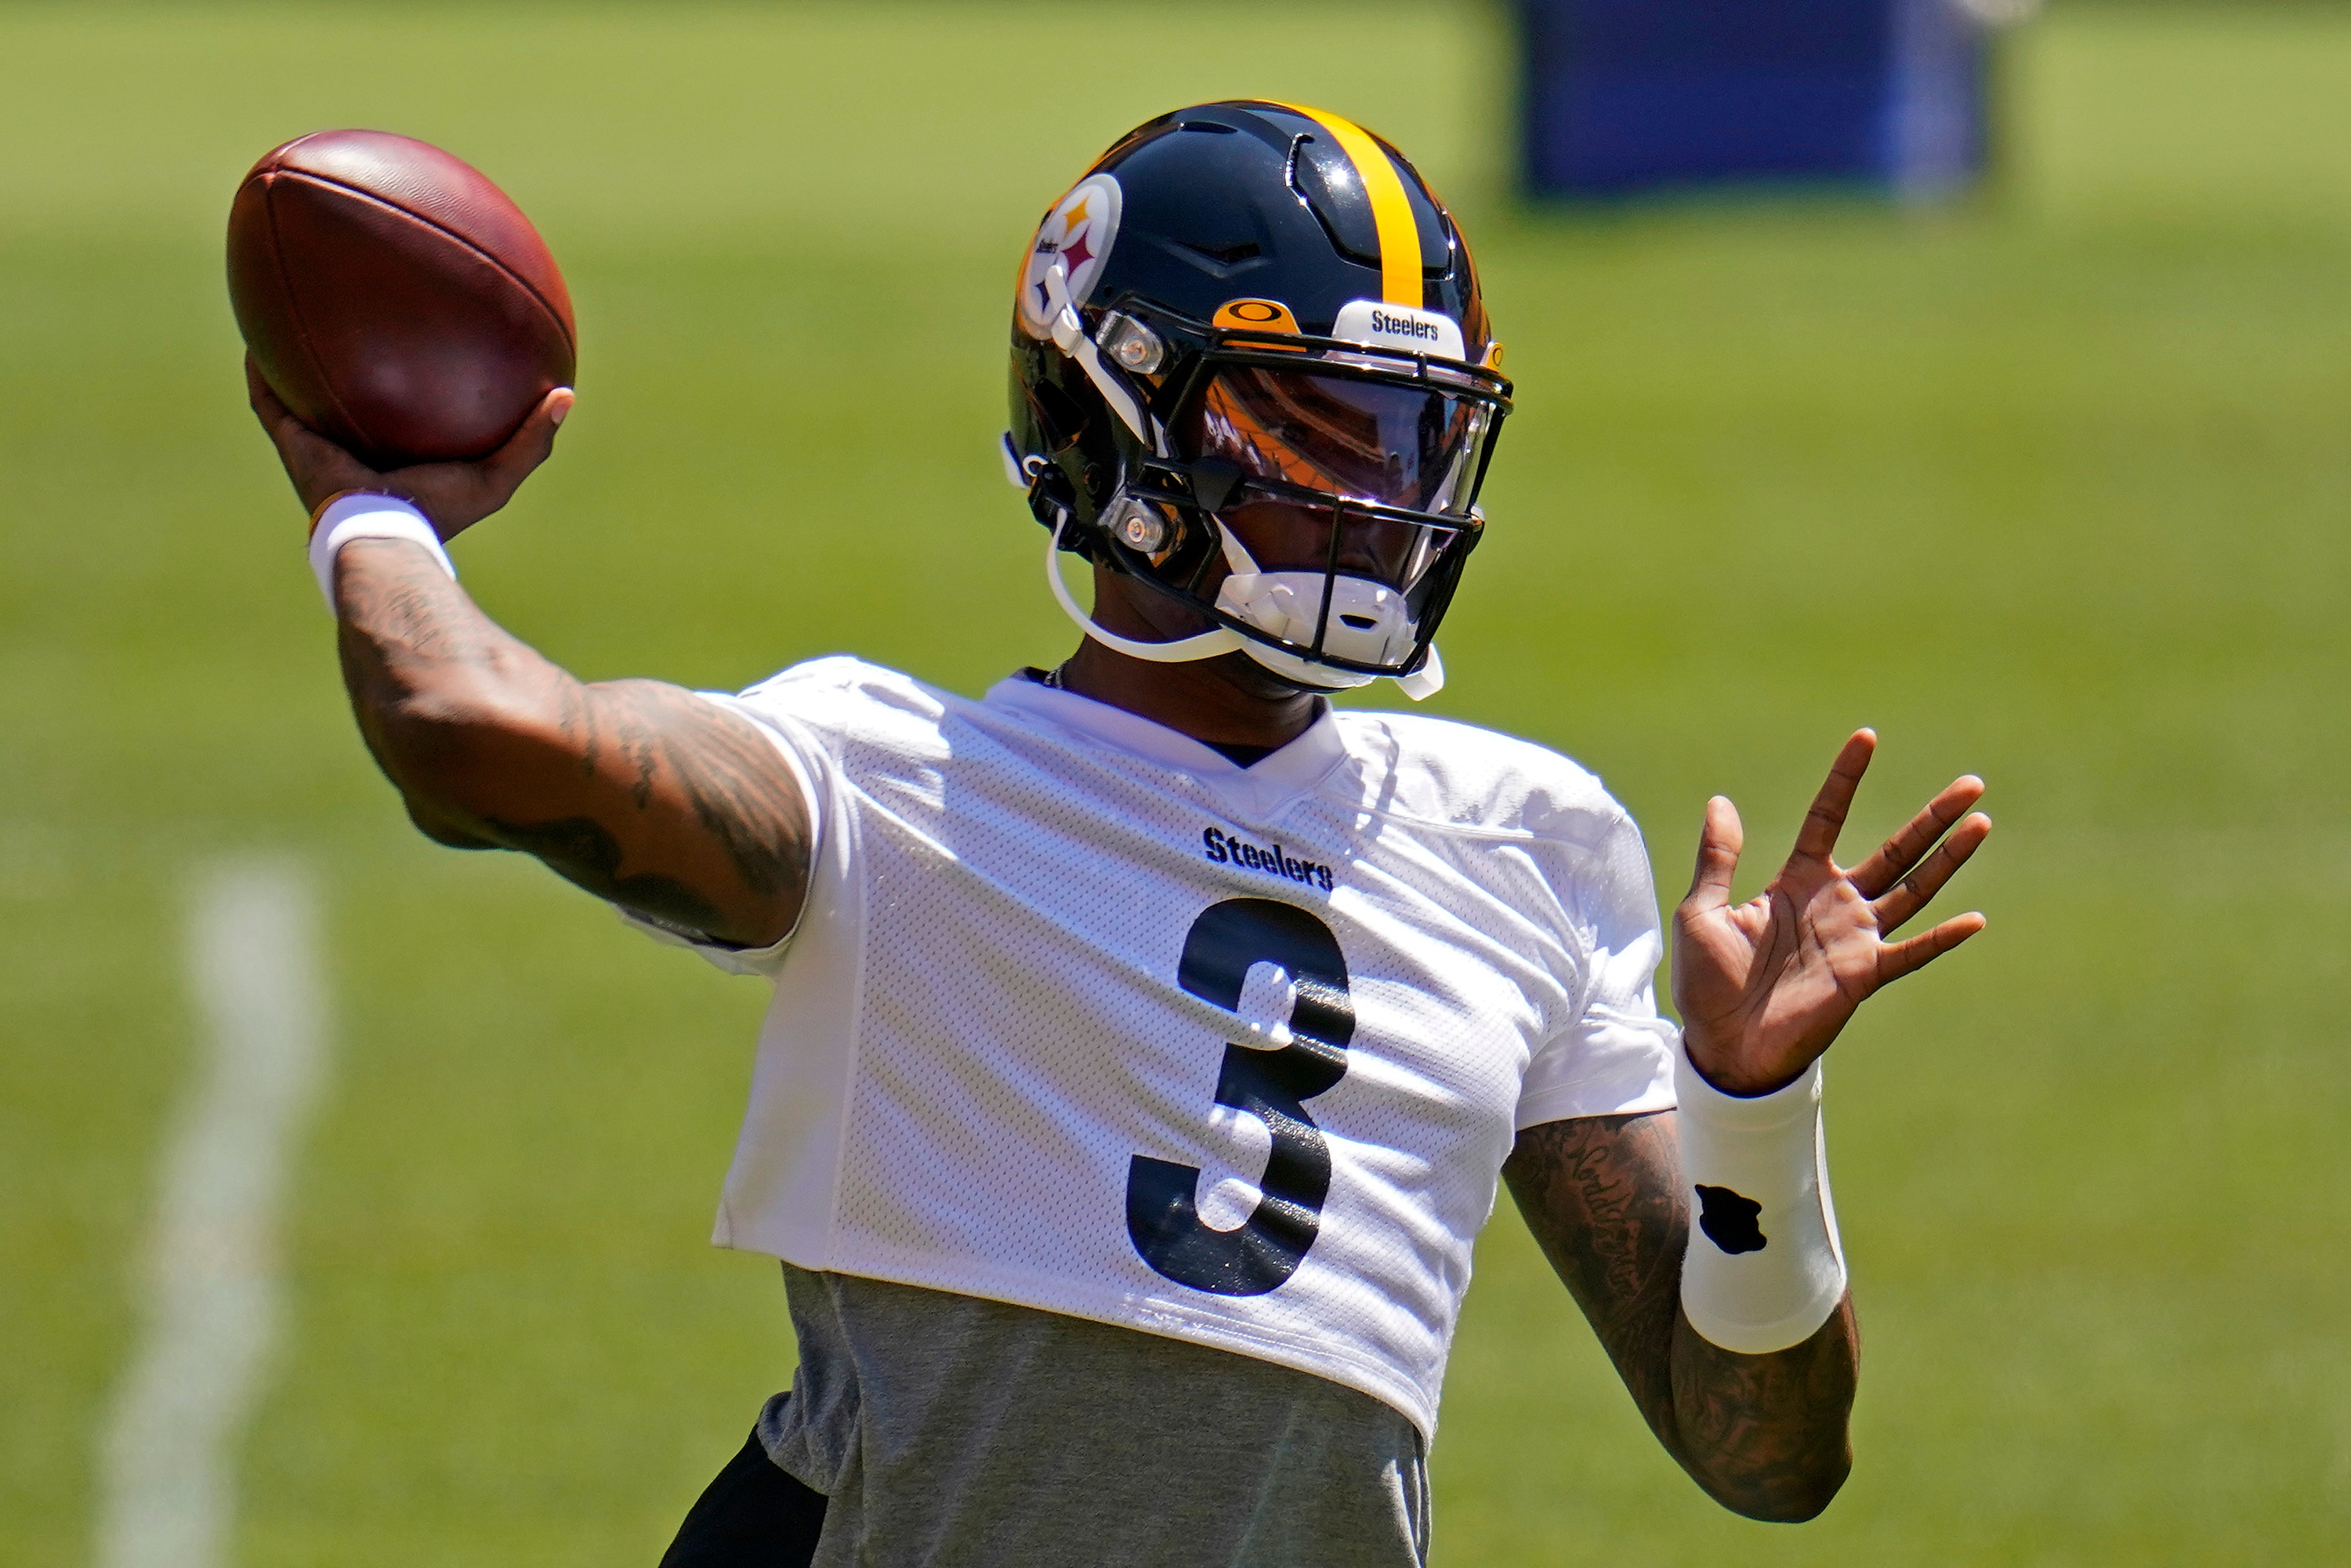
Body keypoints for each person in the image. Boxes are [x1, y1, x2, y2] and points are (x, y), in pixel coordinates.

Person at [249, 100, 1991, 1567]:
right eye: (1312, 423)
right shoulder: (883, 782)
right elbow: (465, 731)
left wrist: (1756, 1113)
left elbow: (1765, 1456)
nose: (1380, 501)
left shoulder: (1524, 841)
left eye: (1409, 439)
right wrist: (376, 507)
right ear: (1116, 412)